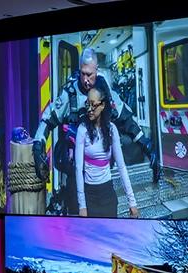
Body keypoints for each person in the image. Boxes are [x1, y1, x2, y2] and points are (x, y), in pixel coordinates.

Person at [32, 48, 158, 212]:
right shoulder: (69, 94)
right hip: (75, 169)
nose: (86, 79)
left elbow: (126, 119)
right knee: (76, 212)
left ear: (97, 71)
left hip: (100, 174)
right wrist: (37, 147)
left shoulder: (105, 92)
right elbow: (47, 120)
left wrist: (146, 146)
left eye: (90, 74)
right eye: (83, 73)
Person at [75, 87, 140, 218]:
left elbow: (121, 167)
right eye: (87, 104)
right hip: (90, 194)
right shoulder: (82, 130)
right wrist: (82, 205)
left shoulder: (111, 129)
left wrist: (132, 202)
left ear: (103, 105)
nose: (89, 109)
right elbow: (78, 168)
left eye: (93, 105)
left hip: (107, 193)